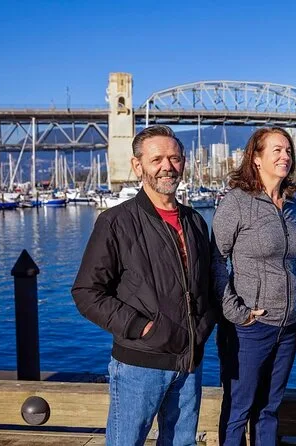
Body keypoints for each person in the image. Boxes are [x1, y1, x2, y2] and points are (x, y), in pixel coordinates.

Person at [72, 125, 217, 446]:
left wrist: (204, 324)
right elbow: (86, 293)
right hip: (139, 363)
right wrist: (142, 327)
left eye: (175, 158)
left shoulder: (194, 221)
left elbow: (205, 284)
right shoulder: (115, 221)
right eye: (157, 159)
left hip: (189, 361)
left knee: (182, 443)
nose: (168, 166)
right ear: (138, 166)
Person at [211, 127, 296, 446]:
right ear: (256, 158)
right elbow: (215, 260)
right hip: (249, 328)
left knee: (269, 409)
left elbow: (295, 266)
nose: (285, 156)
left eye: (288, 151)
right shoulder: (237, 202)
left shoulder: (292, 206)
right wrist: (237, 312)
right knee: (238, 409)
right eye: (276, 150)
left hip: (288, 327)